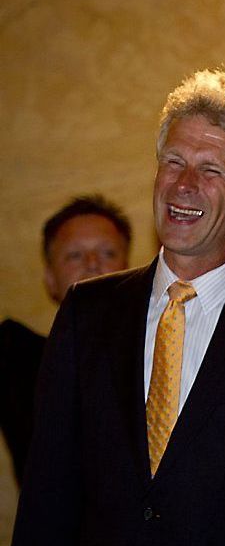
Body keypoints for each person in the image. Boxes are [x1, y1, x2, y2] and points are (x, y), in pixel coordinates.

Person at [10, 70, 225, 546]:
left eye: (211, 170)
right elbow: (46, 500)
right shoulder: (88, 314)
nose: (184, 185)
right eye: (174, 161)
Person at [1, 194, 132, 484]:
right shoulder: (19, 363)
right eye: (74, 255)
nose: (92, 263)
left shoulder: (161, 357)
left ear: (131, 271)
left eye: (108, 253)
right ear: (49, 278)